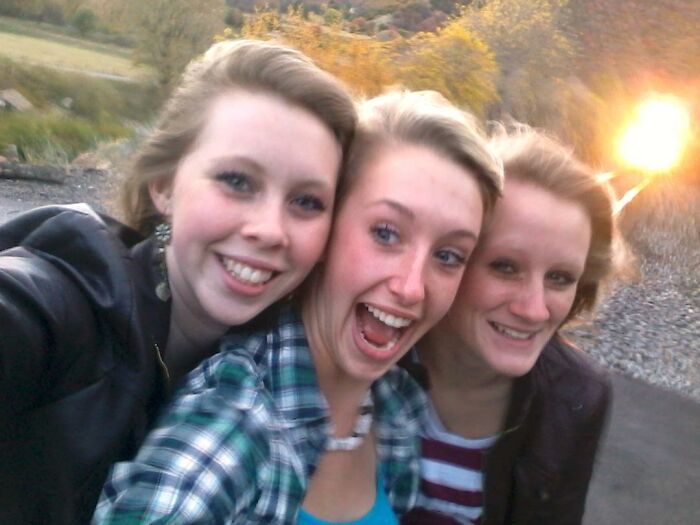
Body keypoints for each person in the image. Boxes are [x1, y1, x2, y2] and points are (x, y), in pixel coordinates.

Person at [92, 90, 504, 524]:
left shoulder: (397, 409)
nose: (413, 288)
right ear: (324, 229)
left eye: (448, 255)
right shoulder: (234, 420)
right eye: (385, 233)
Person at [0, 39, 357, 524]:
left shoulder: (276, 359)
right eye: (237, 181)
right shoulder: (63, 306)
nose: (271, 230)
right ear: (165, 186)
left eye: (307, 202)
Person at [401, 126, 618, 525]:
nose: (535, 310)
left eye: (560, 278)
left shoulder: (577, 398)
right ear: (448, 258)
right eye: (505, 267)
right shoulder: (371, 352)